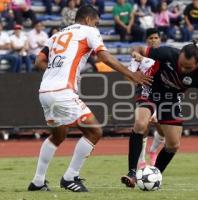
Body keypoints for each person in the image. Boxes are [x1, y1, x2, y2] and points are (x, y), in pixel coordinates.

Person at [27, 5, 152, 192]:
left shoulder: (57, 35)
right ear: (87, 19)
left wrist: (57, 71)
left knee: (58, 135)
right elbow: (105, 58)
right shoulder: (89, 31)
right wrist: (132, 75)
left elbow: (39, 61)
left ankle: (37, 182)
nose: (97, 26)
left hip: (45, 91)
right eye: (96, 22)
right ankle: (70, 178)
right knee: (94, 131)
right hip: (63, 91)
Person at [121, 40, 198, 188]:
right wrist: (135, 58)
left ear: (197, 64)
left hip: (171, 99)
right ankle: (132, 172)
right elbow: (137, 48)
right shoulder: (167, 53)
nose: (183, 69)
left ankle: (153, 176)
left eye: (188, 67)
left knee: (173, 145)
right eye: (181, 64)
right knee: (140, 124)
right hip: (150, 88)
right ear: (179, 56)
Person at [128, 28, 164, 169]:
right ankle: (141, 161)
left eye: (156, 37)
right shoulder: (138, 56)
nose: (154, 40)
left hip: (163, 94)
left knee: (163, 129)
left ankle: (154, 150)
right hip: (145, 93)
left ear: (160, 40)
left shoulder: (165, 54)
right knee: (144, 125)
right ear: (146, 41)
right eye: (151, 38)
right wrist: (136, 78)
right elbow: (130, 74)